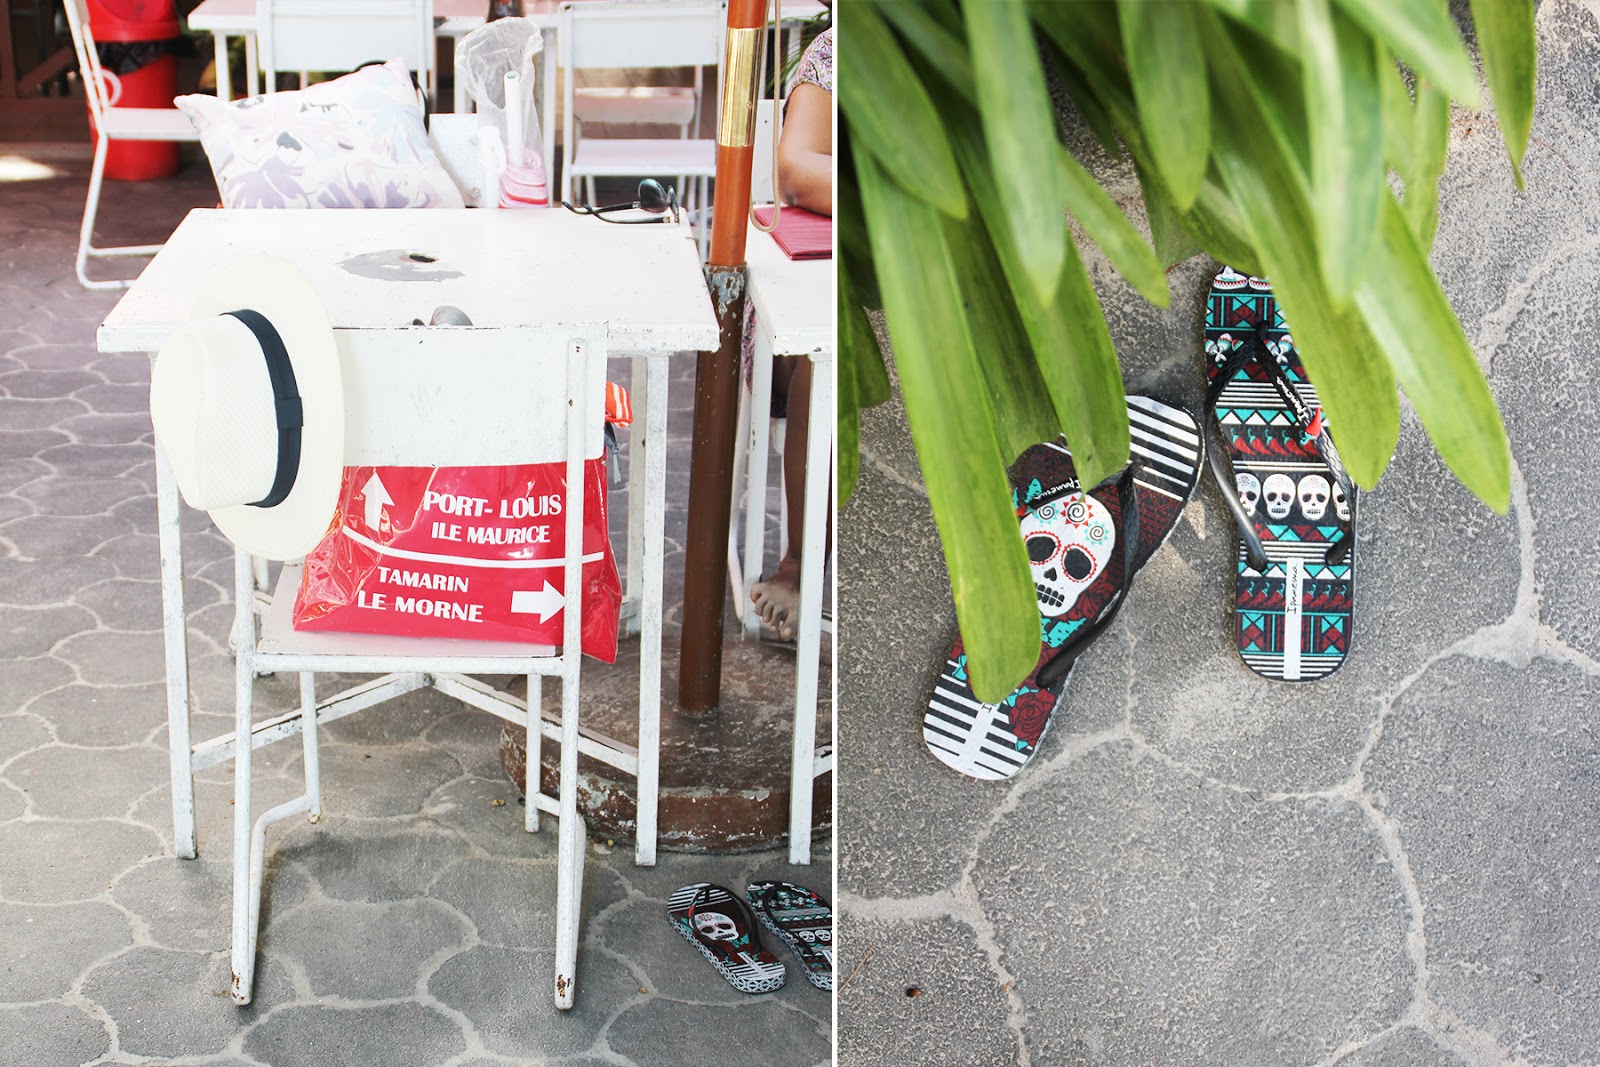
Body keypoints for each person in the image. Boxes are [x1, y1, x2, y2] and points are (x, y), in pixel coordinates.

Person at [747, 25, 833, 641]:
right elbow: (797, 172)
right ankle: (801, 560)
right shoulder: (835, 52)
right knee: (821, 351)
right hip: (803, 299)